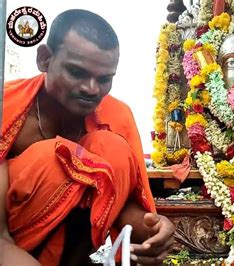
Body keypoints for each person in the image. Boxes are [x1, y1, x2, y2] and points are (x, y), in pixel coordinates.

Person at [0, 9, 175, 265]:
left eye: (104, 79)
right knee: (51, 157)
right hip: (9, 247)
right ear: (44, 58)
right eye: (77, 73)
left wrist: (155, 230)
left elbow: (118, 202)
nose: (92, 89)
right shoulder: (7, 111)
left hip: (74, 255)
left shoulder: (115, 117)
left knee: (110, 147)